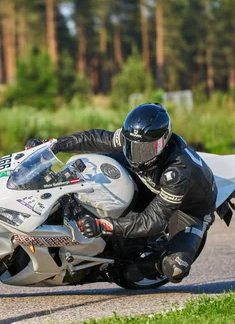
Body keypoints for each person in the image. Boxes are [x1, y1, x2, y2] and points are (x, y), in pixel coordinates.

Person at [26, 103, 217, 283]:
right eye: (131, 145)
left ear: (163, 142)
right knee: (89, 166)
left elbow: (152, 221)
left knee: (174, 269)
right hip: (150, 181)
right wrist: (53, 145)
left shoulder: (177, 172)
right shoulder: (133, 140)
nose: (136, 154)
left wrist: (102, 226)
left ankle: (155, 261)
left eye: (145, 149)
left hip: (188, 210)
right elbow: (94, 139)